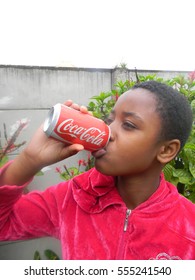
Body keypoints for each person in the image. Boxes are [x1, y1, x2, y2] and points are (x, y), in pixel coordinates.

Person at [0, 81, 194, 260]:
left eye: (128, 125)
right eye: (109, 121)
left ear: (166, 150)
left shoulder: (188, 226)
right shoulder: (72, 197)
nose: (108, 133)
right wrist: (29, 160)